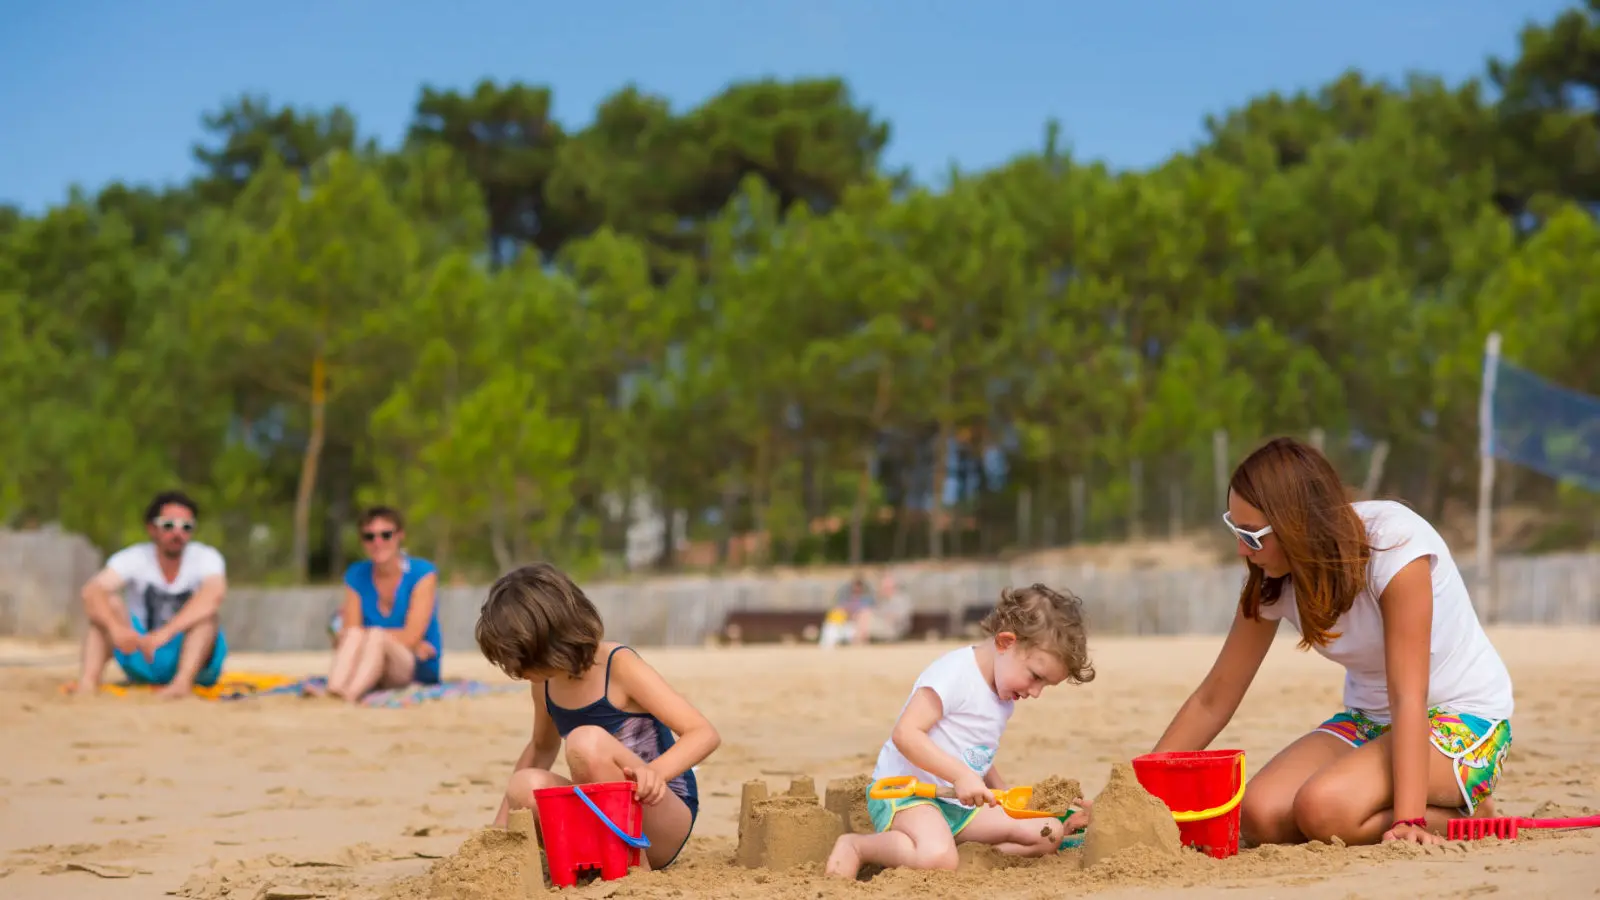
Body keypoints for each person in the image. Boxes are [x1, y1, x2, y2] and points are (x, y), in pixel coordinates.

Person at [1151, 436, 1515, 848]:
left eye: (1252, 536)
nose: (1241, 549)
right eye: (1235, 530)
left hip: (1459, 720)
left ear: (1298, 525)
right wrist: (1137, 795)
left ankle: (1446, 812)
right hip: (1369, 722)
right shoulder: (1272, 578)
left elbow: (1408, 693)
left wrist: (1409, 819)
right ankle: (1416, 802)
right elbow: (1213, 698)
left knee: (1322, 810)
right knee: (1258, 815)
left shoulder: (1396, 546)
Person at [825, 583, 1096, 878]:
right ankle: (859, 847)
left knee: (1049, 834)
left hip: (957, 805)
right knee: (937, 855)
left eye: (1045, 685)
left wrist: (1003, 794)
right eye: (1035, 677)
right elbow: (905, 734)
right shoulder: (955, 674)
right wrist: (960, 776)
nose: (1036, 692)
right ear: (1006, 642)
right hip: (908, 797)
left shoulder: (1004, 692)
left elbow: (977, 751)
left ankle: (962, 855)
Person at [477, 562, 720, 871]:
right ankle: (597, 859)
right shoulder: (544, 683)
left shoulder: (618, 666)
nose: (516, 672)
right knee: (522, 786)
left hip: (658, 813)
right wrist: (500, 827)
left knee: (585, 742)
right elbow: (541, 748)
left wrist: (656, 772)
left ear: (550, 641)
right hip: (603, 814)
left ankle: (631, 865)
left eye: (520, 662)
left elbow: (703, 733)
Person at [74, 490, 229, 700]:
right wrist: (116, 629)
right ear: (151, 528)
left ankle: (182, 684)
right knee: (107, 605)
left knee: (207, 618)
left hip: (195, 663)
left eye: (186, 527)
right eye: (168, 525)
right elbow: (92, 591)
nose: (177, 533)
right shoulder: (134, 557)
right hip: (143, 654)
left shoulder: (205, 557)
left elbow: (214, 595)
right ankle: (88, 684)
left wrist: (166, 633)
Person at [311, 506, 442, 702]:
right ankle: (335, 688)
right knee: (359, 635)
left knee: (373, 635)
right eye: (369, 537)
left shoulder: (422, 573)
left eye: (386, 535)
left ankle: (349, 694)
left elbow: (412, 635)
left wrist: (378, 636)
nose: (378, 542)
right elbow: (351, 631)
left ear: (400, 535)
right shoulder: (356, 574)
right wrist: (401, 639)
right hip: (373, 661)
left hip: (413, 667)